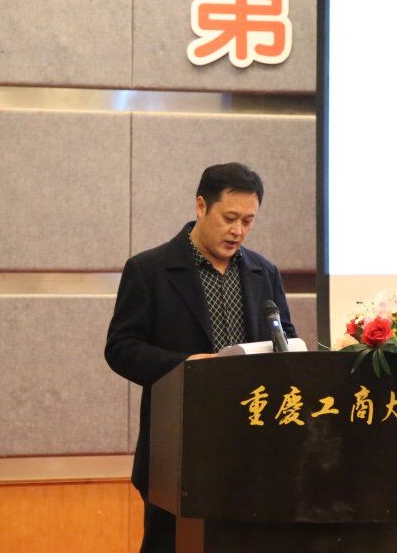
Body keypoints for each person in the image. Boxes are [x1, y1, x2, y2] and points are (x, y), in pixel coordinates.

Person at [105, 162, 297, 553]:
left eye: (248, 221)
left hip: (253, 450)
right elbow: (122, 348)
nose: (238, 231)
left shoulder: (264, 272)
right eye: (229, 218)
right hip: (178, 450)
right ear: (201, 206)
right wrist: (186, 367)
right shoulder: (150, 270)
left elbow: (286, 339)